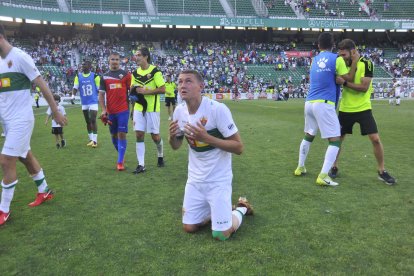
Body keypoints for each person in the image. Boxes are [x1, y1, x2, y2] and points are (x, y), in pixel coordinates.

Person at [168, 70, 253, 241]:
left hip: (218, 180)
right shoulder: (179, 112)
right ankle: (217, 211)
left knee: (221, 234)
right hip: (195, 180)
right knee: (189, 227)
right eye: (180, 82)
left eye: (188, 81)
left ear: (201, 86)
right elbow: (176, 146)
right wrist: (171, 137)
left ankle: (241, 207)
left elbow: (239, 147)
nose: (182, 85)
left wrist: (206, 138)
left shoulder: (217, 110)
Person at [0, 24, 67, 226]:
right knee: (25, 157)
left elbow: (41, 84)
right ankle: (44, 190)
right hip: (8, 122)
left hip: (21, 119)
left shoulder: (20, 57)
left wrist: (55, 110)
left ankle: (3, 210)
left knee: (5, 161)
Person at [294, 32, 358, 186]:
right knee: (335, 140)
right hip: (324, 103)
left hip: (309, 102)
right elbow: (347, 78)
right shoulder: (337, 59)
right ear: (333, 45)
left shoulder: (314, 60)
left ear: (318, 45)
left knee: (309, 135)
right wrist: (354, 61)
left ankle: (300, 167)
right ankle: (323, 176)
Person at [330, 39, 396, 185]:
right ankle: (334, 167)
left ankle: (381, 170)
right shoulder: (340, 63)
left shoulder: (366, 63)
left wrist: (345, 83)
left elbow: (364, 87)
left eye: (344, 54)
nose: (341, 57)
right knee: (337, 140)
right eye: (340, 54)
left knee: (375, 139)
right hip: (345, 108)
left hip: (363, 108)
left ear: (353, 51)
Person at [130, 47, 165, 174]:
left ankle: (160, 155)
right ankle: (141, 164)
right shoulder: (134, 74)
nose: (136, 57)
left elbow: (162, 89)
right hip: (139, 108)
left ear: (146, 57)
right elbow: (133, 92)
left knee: (155, 137)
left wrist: (147, 91)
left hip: (152, 109)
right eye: (135, 55)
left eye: (138, 55)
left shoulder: (155, 71)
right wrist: (133, 108)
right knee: (139, 134)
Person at [99, 52, 131, 171]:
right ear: (109, 61)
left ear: (119, 61)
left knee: (121, 133)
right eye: (112, 59)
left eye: (117, 59)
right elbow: (101, 95)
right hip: (111, 112)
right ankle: (121, 155)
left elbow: (131, 91)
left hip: (123, 110)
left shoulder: (126, 75)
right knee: (113, 135)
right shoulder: (104, 77)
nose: (115, 61)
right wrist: (103, 110)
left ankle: (120, 162)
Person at [72, 60, 100, 148]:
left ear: (89, 66)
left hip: (93, 101)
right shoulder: (78, 76)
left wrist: (102, 99)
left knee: (93, 120)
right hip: (84, 102)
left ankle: (95, 141)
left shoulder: (95, 76)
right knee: (87, 121)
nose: (83, 66)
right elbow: (75, 87)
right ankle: (91, 139)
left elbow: (99, 89)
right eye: (82, 64)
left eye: (85, 65)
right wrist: (73, 96)